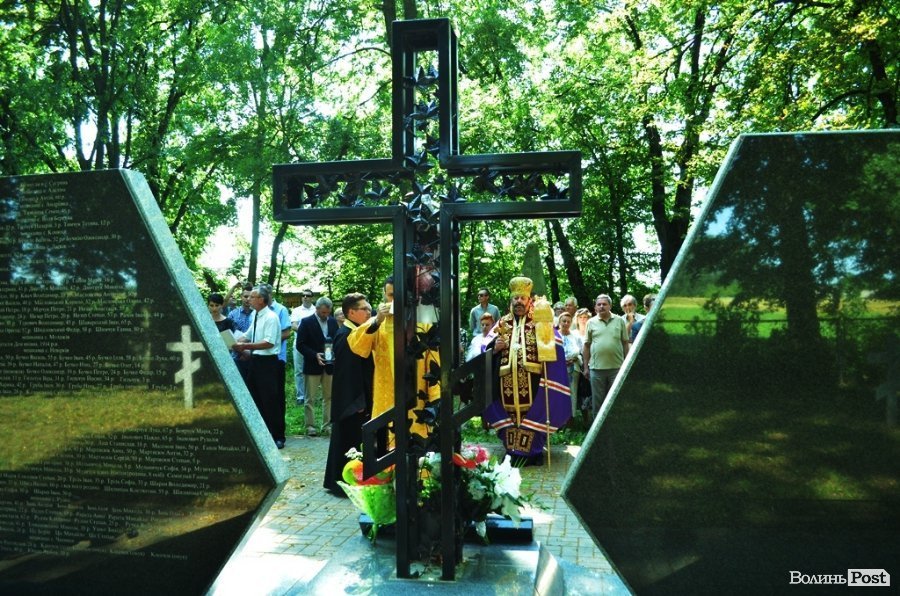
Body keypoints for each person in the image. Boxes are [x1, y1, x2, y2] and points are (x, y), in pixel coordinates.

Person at [483, 276, 571, 465]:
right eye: (516, 298)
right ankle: (512, 450)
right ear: (511, 300)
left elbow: (555, 342)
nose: (519, 302)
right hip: (505, 382)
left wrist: (546, 345)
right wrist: (494, 348)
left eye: (522, 298)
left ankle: (534, 452)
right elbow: (485, 347)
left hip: (534, 380)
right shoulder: (502, 323)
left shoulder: (540, 321)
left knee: (532, 413)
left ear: (529, 300)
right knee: (510, 415)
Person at [348, 276, 439, 447]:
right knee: (385, 445)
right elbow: (357, 346)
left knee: (416, 442)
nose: (395, 300)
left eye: (399, 295)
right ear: (384, 295)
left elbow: (434, 363)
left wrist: (435, 397)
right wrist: (377, 320)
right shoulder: (377, 323)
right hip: (385, 397)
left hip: (416, 396)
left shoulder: (422, 323)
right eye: (390, 295)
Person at [323, 293, 374, 496]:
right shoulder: (346, 335)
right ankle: (343, 483)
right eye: (364, 309)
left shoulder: (356, 332)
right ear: (351, 313)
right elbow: (348, 374)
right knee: (348, 441)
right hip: (351, 401)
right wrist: (357, 401)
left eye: (369, 308)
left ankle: (342, 481)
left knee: (349, 440)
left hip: (356, 398)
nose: (369, 312)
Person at [232, 285, 286, 449]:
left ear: (261, 300)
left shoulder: (271, 317)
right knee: (255, 397)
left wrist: (245, 347)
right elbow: (248, 334)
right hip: (255, 361)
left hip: (268, 362)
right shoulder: (256, 314)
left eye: (252, 297)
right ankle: (262, 434)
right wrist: (236, 341)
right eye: (248, 297)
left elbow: (269, 342)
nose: (248, 299)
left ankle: (278, 436)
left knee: (271, 400)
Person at [581, 294, 629, 425]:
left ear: (610, 306)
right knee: (598, 403)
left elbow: (625, 343)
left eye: (604, 304)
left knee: (615, 401)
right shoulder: (591, 322)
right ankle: (597, 430)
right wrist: (585, 367)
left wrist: (627, 364)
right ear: (595, 307)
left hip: (617, 369)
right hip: (597, 370)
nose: (601, 306)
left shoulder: (619, 321)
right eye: (599, 304)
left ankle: (614, 428)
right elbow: (586, 346)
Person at [296, 296, 338, 437]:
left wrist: (335, 354)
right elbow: (300, 344)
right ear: (317, 309)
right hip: (312, 365)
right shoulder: (306, 322)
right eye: (323, 312)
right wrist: (315, 355)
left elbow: (336, 341)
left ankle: (327, 425)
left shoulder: (333, 322)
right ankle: (310, 426)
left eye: (328, 312)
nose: (326, 315)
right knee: (310, 398)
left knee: (329, 397)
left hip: (329, 366)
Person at [290, 290, 316, 406]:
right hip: (299, 343)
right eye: (303, 295)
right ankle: (300, 396)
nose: (305, 297)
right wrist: (306, 332)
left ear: (312, 298)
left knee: (312, 369)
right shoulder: (296, 311)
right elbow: (294, 325)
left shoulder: (316, 310)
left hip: (313, 345)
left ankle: (311, 394)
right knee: (299, 370)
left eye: (308, 295)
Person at [557, 311, 582, 418]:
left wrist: (575, 358)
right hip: (558, 370)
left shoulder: (575, 336)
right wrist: (561, 361)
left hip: (573, 369)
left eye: (568, 321)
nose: (566, 323)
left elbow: (581, 352)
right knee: (559, 393)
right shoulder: (554, 336)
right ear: (559, 322)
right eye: (564, 321)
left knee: (572, 392)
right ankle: (559, 417)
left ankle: (571, 417)